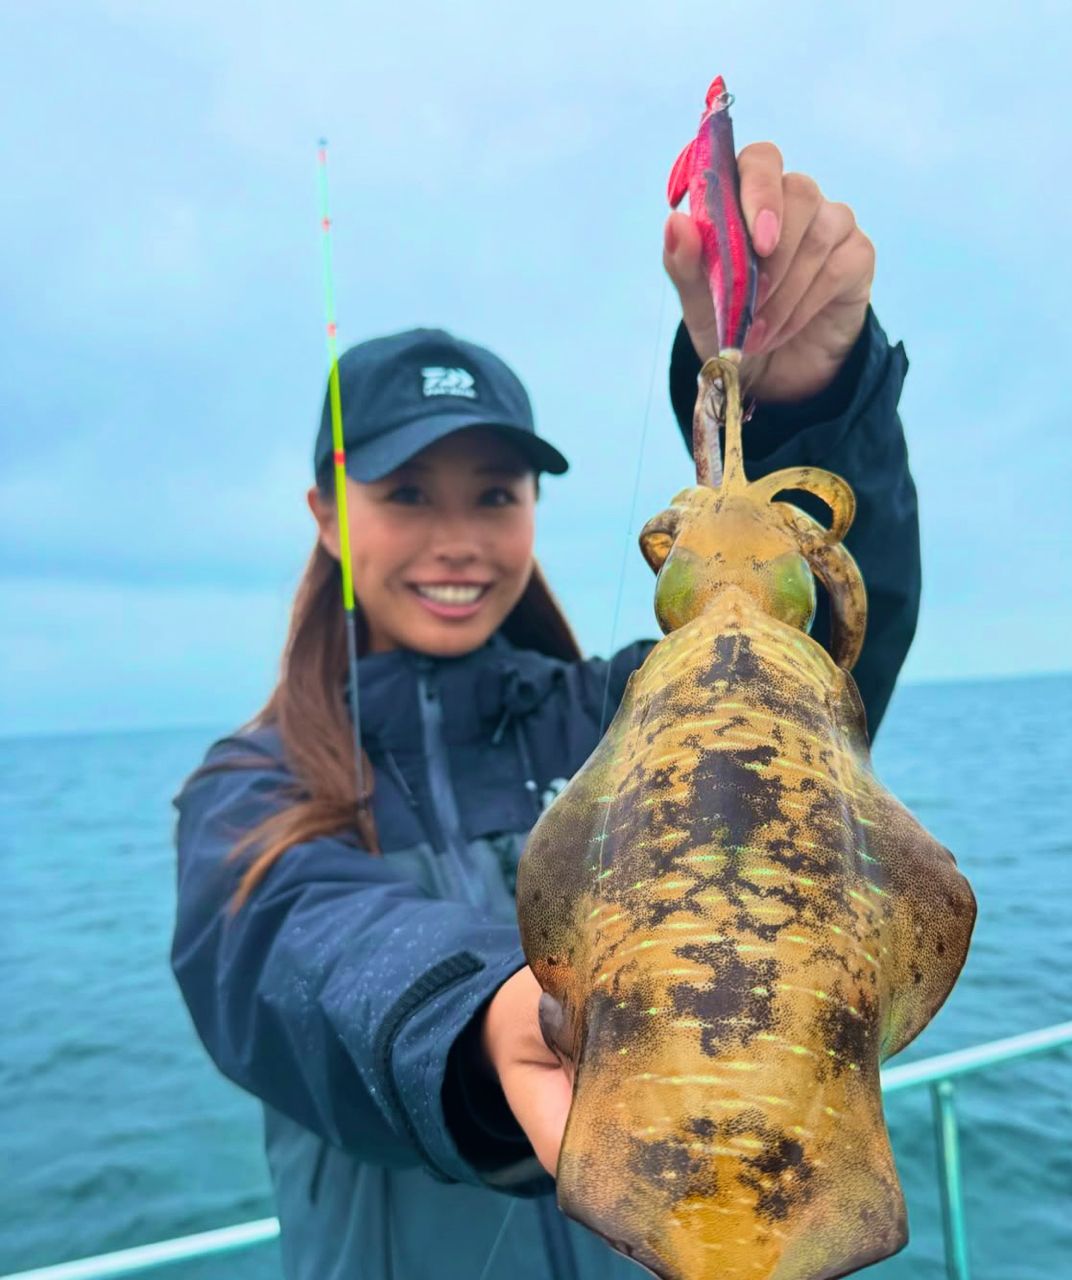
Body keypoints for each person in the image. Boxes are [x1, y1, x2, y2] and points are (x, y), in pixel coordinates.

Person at [172, 144, 918, 1280]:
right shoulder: (252, 788)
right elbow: (300, 955)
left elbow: (815, 661)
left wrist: (810, 397)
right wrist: (485, 1016)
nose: (458, 535)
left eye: (495, 493)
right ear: (327, 513)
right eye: (406, 493)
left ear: (533, 507)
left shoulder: (620, 713)